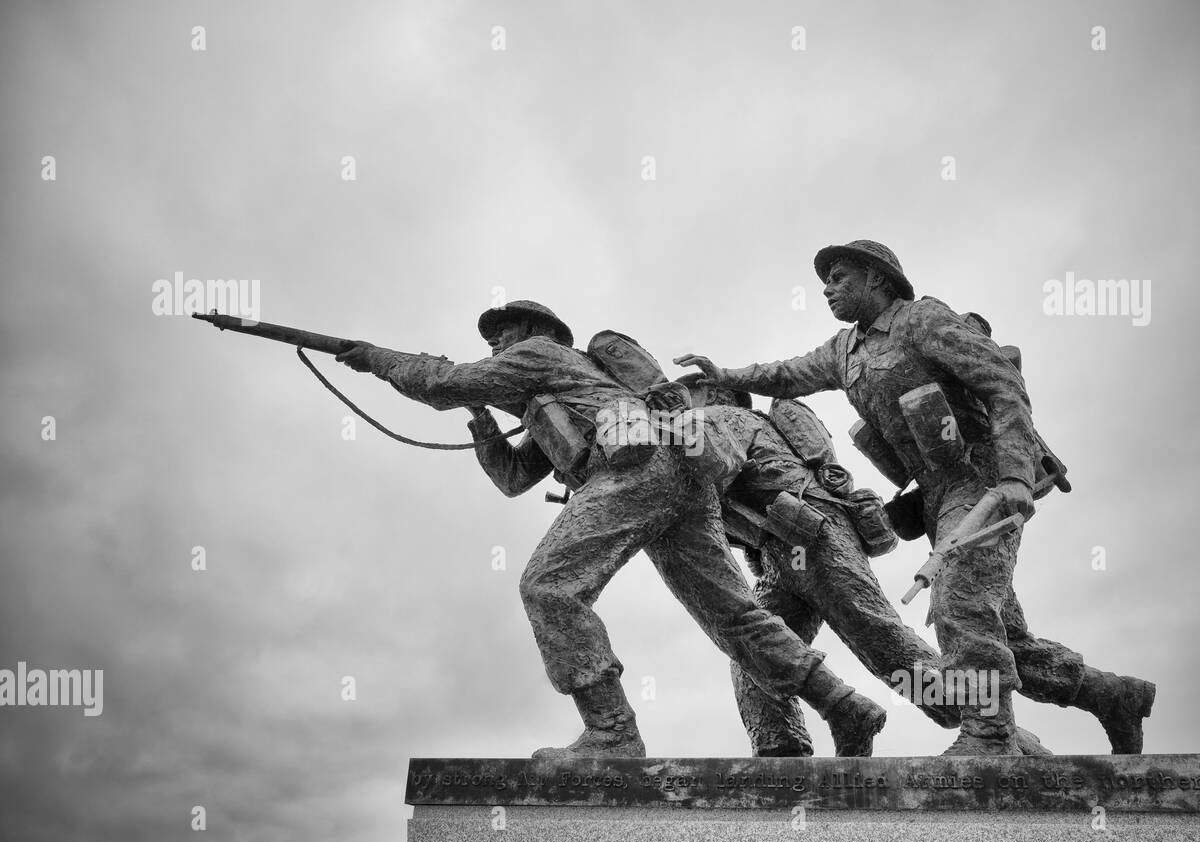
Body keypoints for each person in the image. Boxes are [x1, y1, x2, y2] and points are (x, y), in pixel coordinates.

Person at [335, 299, 888, 758]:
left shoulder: (540, 354)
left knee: (549, 587)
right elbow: (512, 476)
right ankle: (844, 705)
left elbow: (440, 383)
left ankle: (611, 732)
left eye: (502, 334)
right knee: (735, 617)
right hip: (680, 478)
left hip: (637, 472)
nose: (495, 347)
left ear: (536, 332)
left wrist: (379, 359)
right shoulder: (567, 394)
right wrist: (481, 417)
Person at [675, 241, 1155, 755]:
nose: (827, 288)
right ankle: (1110, 695)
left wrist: (1015, 474)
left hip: (983, 477)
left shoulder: (921, 320)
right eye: (826, 280)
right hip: (936, 493)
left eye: (839, 277)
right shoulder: (846, 351)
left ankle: (990, 736)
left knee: (959, 598)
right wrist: (724, 375)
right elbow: (788, 374)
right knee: (1001, 636)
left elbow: (1002, 385)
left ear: (877, 279)